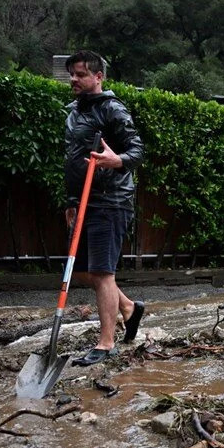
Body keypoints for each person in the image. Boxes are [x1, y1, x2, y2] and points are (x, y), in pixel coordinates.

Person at [63, 50, 145, 366]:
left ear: (99, 77)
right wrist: (70, 203)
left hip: (110, 201)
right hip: (82, 201)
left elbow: (137, 150)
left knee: (102, 271)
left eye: (81, 74)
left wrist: (117, 160)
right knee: (83, 270)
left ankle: (106, 343)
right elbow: (72, 162)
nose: (74, 79)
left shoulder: (113, 110)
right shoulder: (73, 112)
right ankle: (129, 308)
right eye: (72, 74)